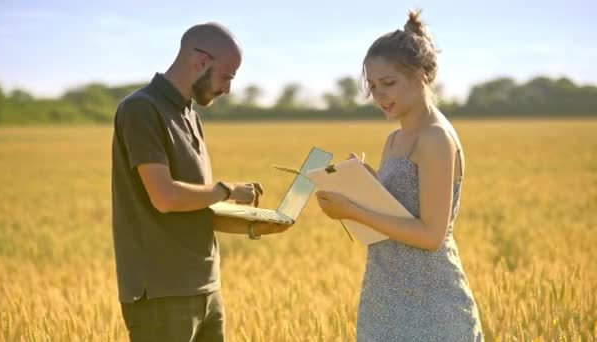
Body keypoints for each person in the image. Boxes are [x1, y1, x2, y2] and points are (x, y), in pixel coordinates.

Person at [111, 22, 289, 342]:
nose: (227, 89)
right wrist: (227, 189)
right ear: (201, 62)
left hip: (206, 287)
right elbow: (165, 197)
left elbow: (195, 206)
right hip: (162, 293)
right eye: (227, 77)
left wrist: (255, 224)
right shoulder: (141, 109)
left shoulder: (190, 114)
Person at [315, 10, 483, 341]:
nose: (379, 95)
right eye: (373, 86)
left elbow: (430, 235)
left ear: (422, 75)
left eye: (388, 84)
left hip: (431, 302)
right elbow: (399, 209)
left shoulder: (434, 138)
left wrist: (352, 210)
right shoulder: (394, 139)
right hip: (385, 292)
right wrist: (366, 182)